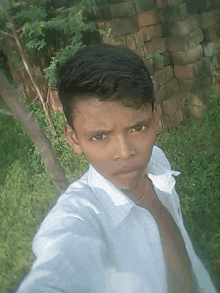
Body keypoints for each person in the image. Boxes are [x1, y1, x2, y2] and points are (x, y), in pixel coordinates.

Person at [16, 43, 217, 292]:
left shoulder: (156, 161)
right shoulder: (78, 218)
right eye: (99, 136)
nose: (125, 153)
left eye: (138, 128)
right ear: (73, 138)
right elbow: (56, 270)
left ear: (155, 119)